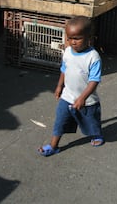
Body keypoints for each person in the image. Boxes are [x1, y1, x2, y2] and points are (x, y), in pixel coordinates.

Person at [38, 16, 104, 156]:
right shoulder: (68, 52)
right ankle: (54, 145)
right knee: (60, 120)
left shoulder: (93, 57)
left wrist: (82, 98)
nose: (73, 42)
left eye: (77, 38)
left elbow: (94, 80)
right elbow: (64, 70)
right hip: (67, 96)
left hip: (88, 100)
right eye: (70, 38)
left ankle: (96, 134)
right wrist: (59, 86)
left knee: (91, 121)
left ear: (88, 37)